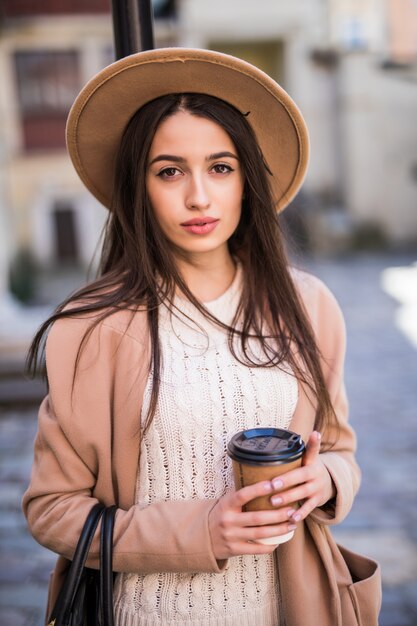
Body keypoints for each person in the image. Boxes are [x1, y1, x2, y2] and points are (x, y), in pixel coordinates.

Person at [23, 49, 363, 626]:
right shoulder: (92, 326)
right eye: (170, 171)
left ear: (246, 181)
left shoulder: (308, 306)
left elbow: (338, 448)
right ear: (141, 185)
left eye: (221, 167)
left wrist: (325, 479)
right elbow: (52, 510)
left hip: (289, 610)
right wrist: (200, 530)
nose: (199, 197)